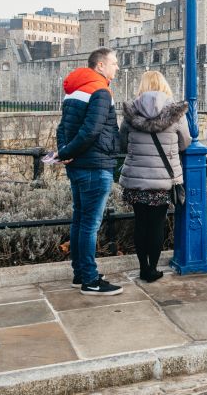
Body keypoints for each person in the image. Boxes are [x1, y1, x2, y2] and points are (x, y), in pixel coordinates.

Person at [55, 48, 123, 296]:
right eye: (114, 63)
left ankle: (80, 273)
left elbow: (62, 128)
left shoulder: (74, 91)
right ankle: (91, 280)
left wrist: (65, 151)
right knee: (90, 225)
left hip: (78, 166)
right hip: (95, 166)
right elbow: (92, 131)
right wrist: (66, 153)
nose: (117, 68)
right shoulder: (101, 91)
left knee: (80, 221)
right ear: (101, 65)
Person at [118, 71, 190, 282]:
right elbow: (185, 142)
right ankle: (153, 268)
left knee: (140, 223)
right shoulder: (175, 112)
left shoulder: (131, 113)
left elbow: (123, 142)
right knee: (158, 224)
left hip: (137, 178)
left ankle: (143, 268)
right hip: (163, 179)